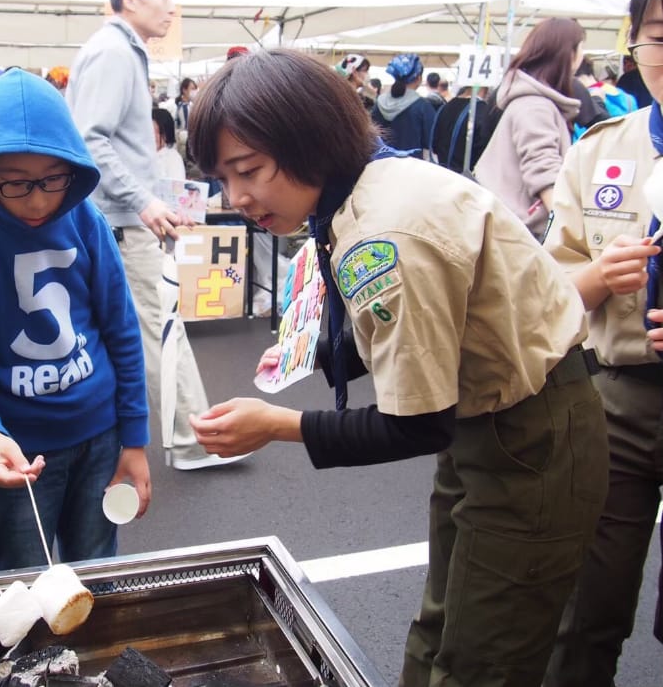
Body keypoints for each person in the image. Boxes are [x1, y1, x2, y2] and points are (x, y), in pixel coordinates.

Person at [186, 49, 608, 687]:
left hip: (531, 438)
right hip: (491, 419)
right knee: (441, 629)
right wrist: (319, 351)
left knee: (482, 662)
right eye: (224, 176)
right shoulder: (367, 187)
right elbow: (424, 325)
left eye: (249, 170)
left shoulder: (386, 235)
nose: (236, 197)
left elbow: (417, 425)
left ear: (311, 142)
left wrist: (277, 424)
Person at [0, 69, 151, 570]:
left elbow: (121, 332)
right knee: (25, 583)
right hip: (19, 450)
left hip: (100, 436)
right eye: (14, 183)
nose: (36, 199)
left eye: (52, 180)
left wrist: (134, 439)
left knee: (96, 571)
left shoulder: (86, 219)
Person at [66, 0, 247, 470]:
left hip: (118, 221)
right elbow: (89, 140)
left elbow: (107, 143)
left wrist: (155, 198)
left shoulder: (118, 51)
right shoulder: (115, 53)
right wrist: (145, 200)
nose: (172, 5)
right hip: (123, 224)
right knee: (159, 327)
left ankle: (119, 440)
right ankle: (194, 440)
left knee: (127, 329)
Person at [543, 0, 663, 685]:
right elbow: (540, 288)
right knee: (585, 608)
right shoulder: (599, 153)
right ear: (633, 39)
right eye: (661, 33)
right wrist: (589, 280)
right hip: (614, 400)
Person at [473, 18, 584, 241]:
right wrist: (572, 232)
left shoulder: (533, 102)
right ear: (567, 53)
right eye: (581, 49)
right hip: (521, 232)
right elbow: (543, 171)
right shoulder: (535, 105)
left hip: (512, 226)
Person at [371, 53, 436, 158]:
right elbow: (431, 142)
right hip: (410, 168)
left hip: (381, 164)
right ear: (418, 78)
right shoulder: (423, 107)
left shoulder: (379, 103)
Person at [429, 85, 491, 173]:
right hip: (468, 180)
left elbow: (434, 145)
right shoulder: (483, 112)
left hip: (442, 174)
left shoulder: (445, 107)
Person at [152, 107, 184, 180]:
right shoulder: (143, 154)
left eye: (153, 131)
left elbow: (176, 188)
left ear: (165, 135)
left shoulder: (173, 158)